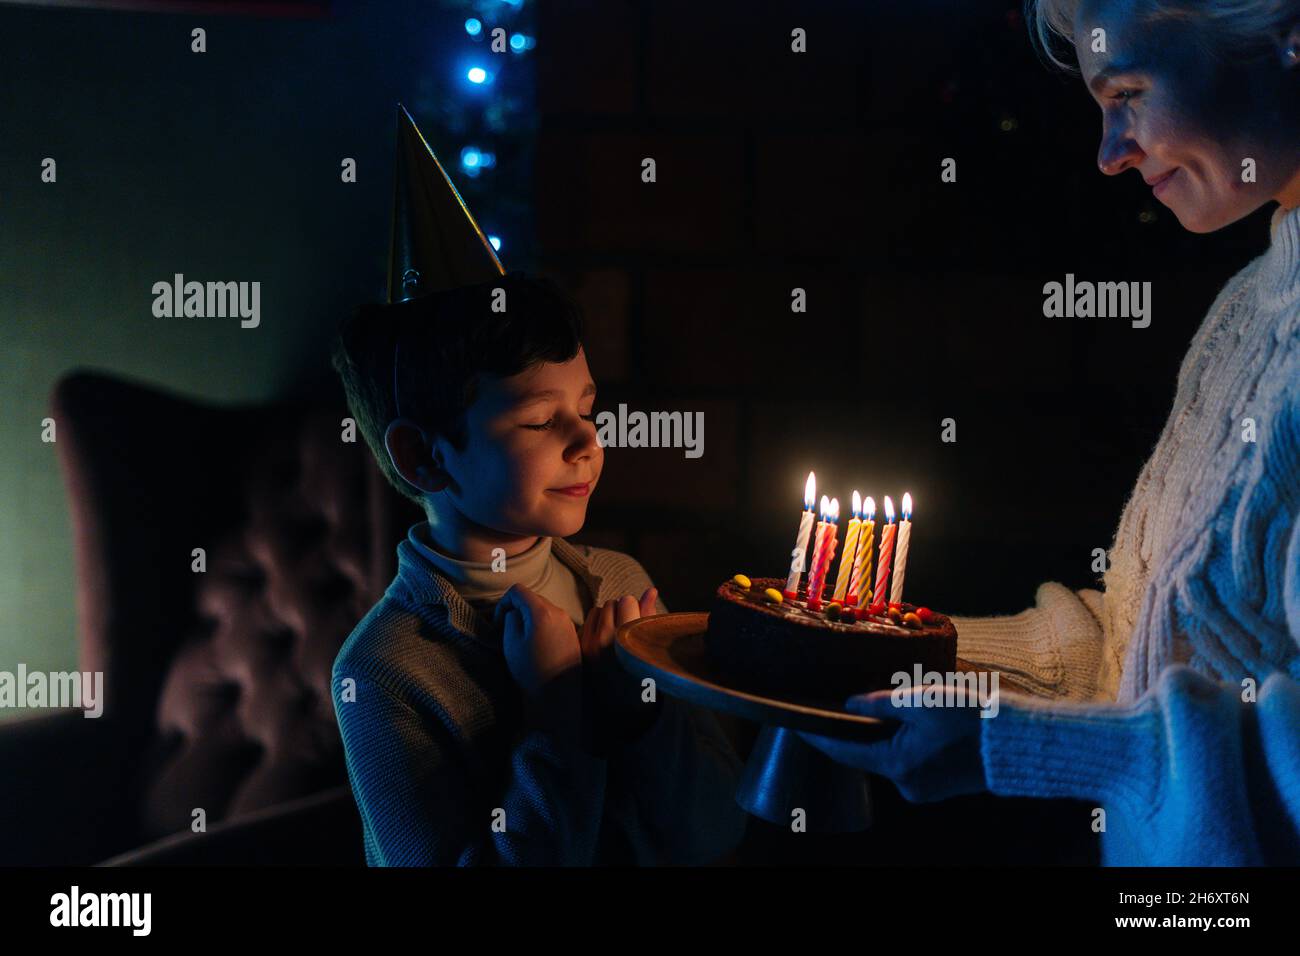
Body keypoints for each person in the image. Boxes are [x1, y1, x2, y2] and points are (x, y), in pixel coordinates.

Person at [801, 0, 1300, 866]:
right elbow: (1158, 645)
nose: (1110, 154)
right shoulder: (1247, 312)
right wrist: (901, 651)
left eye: (1129, 93)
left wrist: (1017, 746)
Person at [329, 107, 747, 865]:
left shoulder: (620, 588)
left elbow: (717, 834)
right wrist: (558, 716)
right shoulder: (386, 671)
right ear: (424, 458)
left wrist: (642, 714)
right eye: (540, 421)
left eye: (587, 409)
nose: (588, 442)